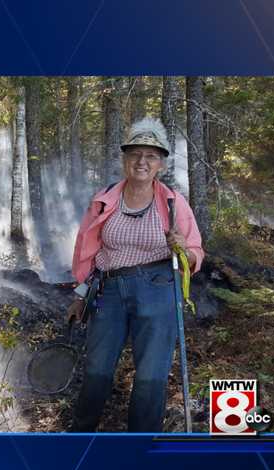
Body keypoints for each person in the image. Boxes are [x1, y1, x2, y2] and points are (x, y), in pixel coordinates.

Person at [67, 117, 204, 432]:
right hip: (109, 290)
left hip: (158, 288)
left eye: (151, 156)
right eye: (135, 154)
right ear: (125, 159)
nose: (142, 161)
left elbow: (196, 252)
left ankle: (140, 445)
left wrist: (183, 248)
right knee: (96, 370)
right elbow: (85, 249)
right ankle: (79, 438)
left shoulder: (172, 203)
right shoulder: (105, 199)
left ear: (161, 164)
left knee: (151, 376)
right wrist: (79, 293)